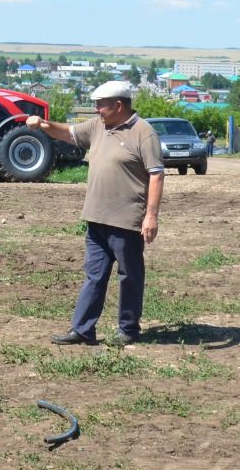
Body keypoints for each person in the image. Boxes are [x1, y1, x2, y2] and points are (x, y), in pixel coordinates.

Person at [26, 80, 164, 347]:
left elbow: (156, 176)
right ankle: (82, 330)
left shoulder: (144, 133)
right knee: (94, 274)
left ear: (119, 105)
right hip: (96, 217)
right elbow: (67, 133)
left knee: (130, 276)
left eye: (101, 105)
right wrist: (43, 125)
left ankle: (128, 329)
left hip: (126, 220)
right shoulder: (98, 127)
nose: (97, 110)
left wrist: (151, 216)